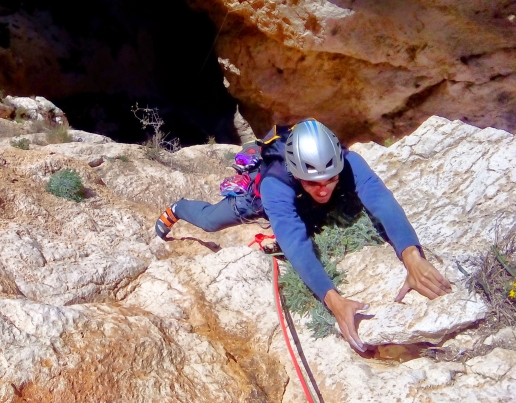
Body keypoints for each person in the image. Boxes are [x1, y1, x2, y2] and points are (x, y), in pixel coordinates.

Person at [155, 119, 452, 352]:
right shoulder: (275, 185)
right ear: (297, 173)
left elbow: (381, 200)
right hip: (261, 199)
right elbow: (294, 243)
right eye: (313, 183)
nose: (323, 189)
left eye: (330, 180)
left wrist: (412, 257)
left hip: (301, 194)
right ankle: (179, 208)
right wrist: (334, 301)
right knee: (210, 221)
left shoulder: (349, 162)